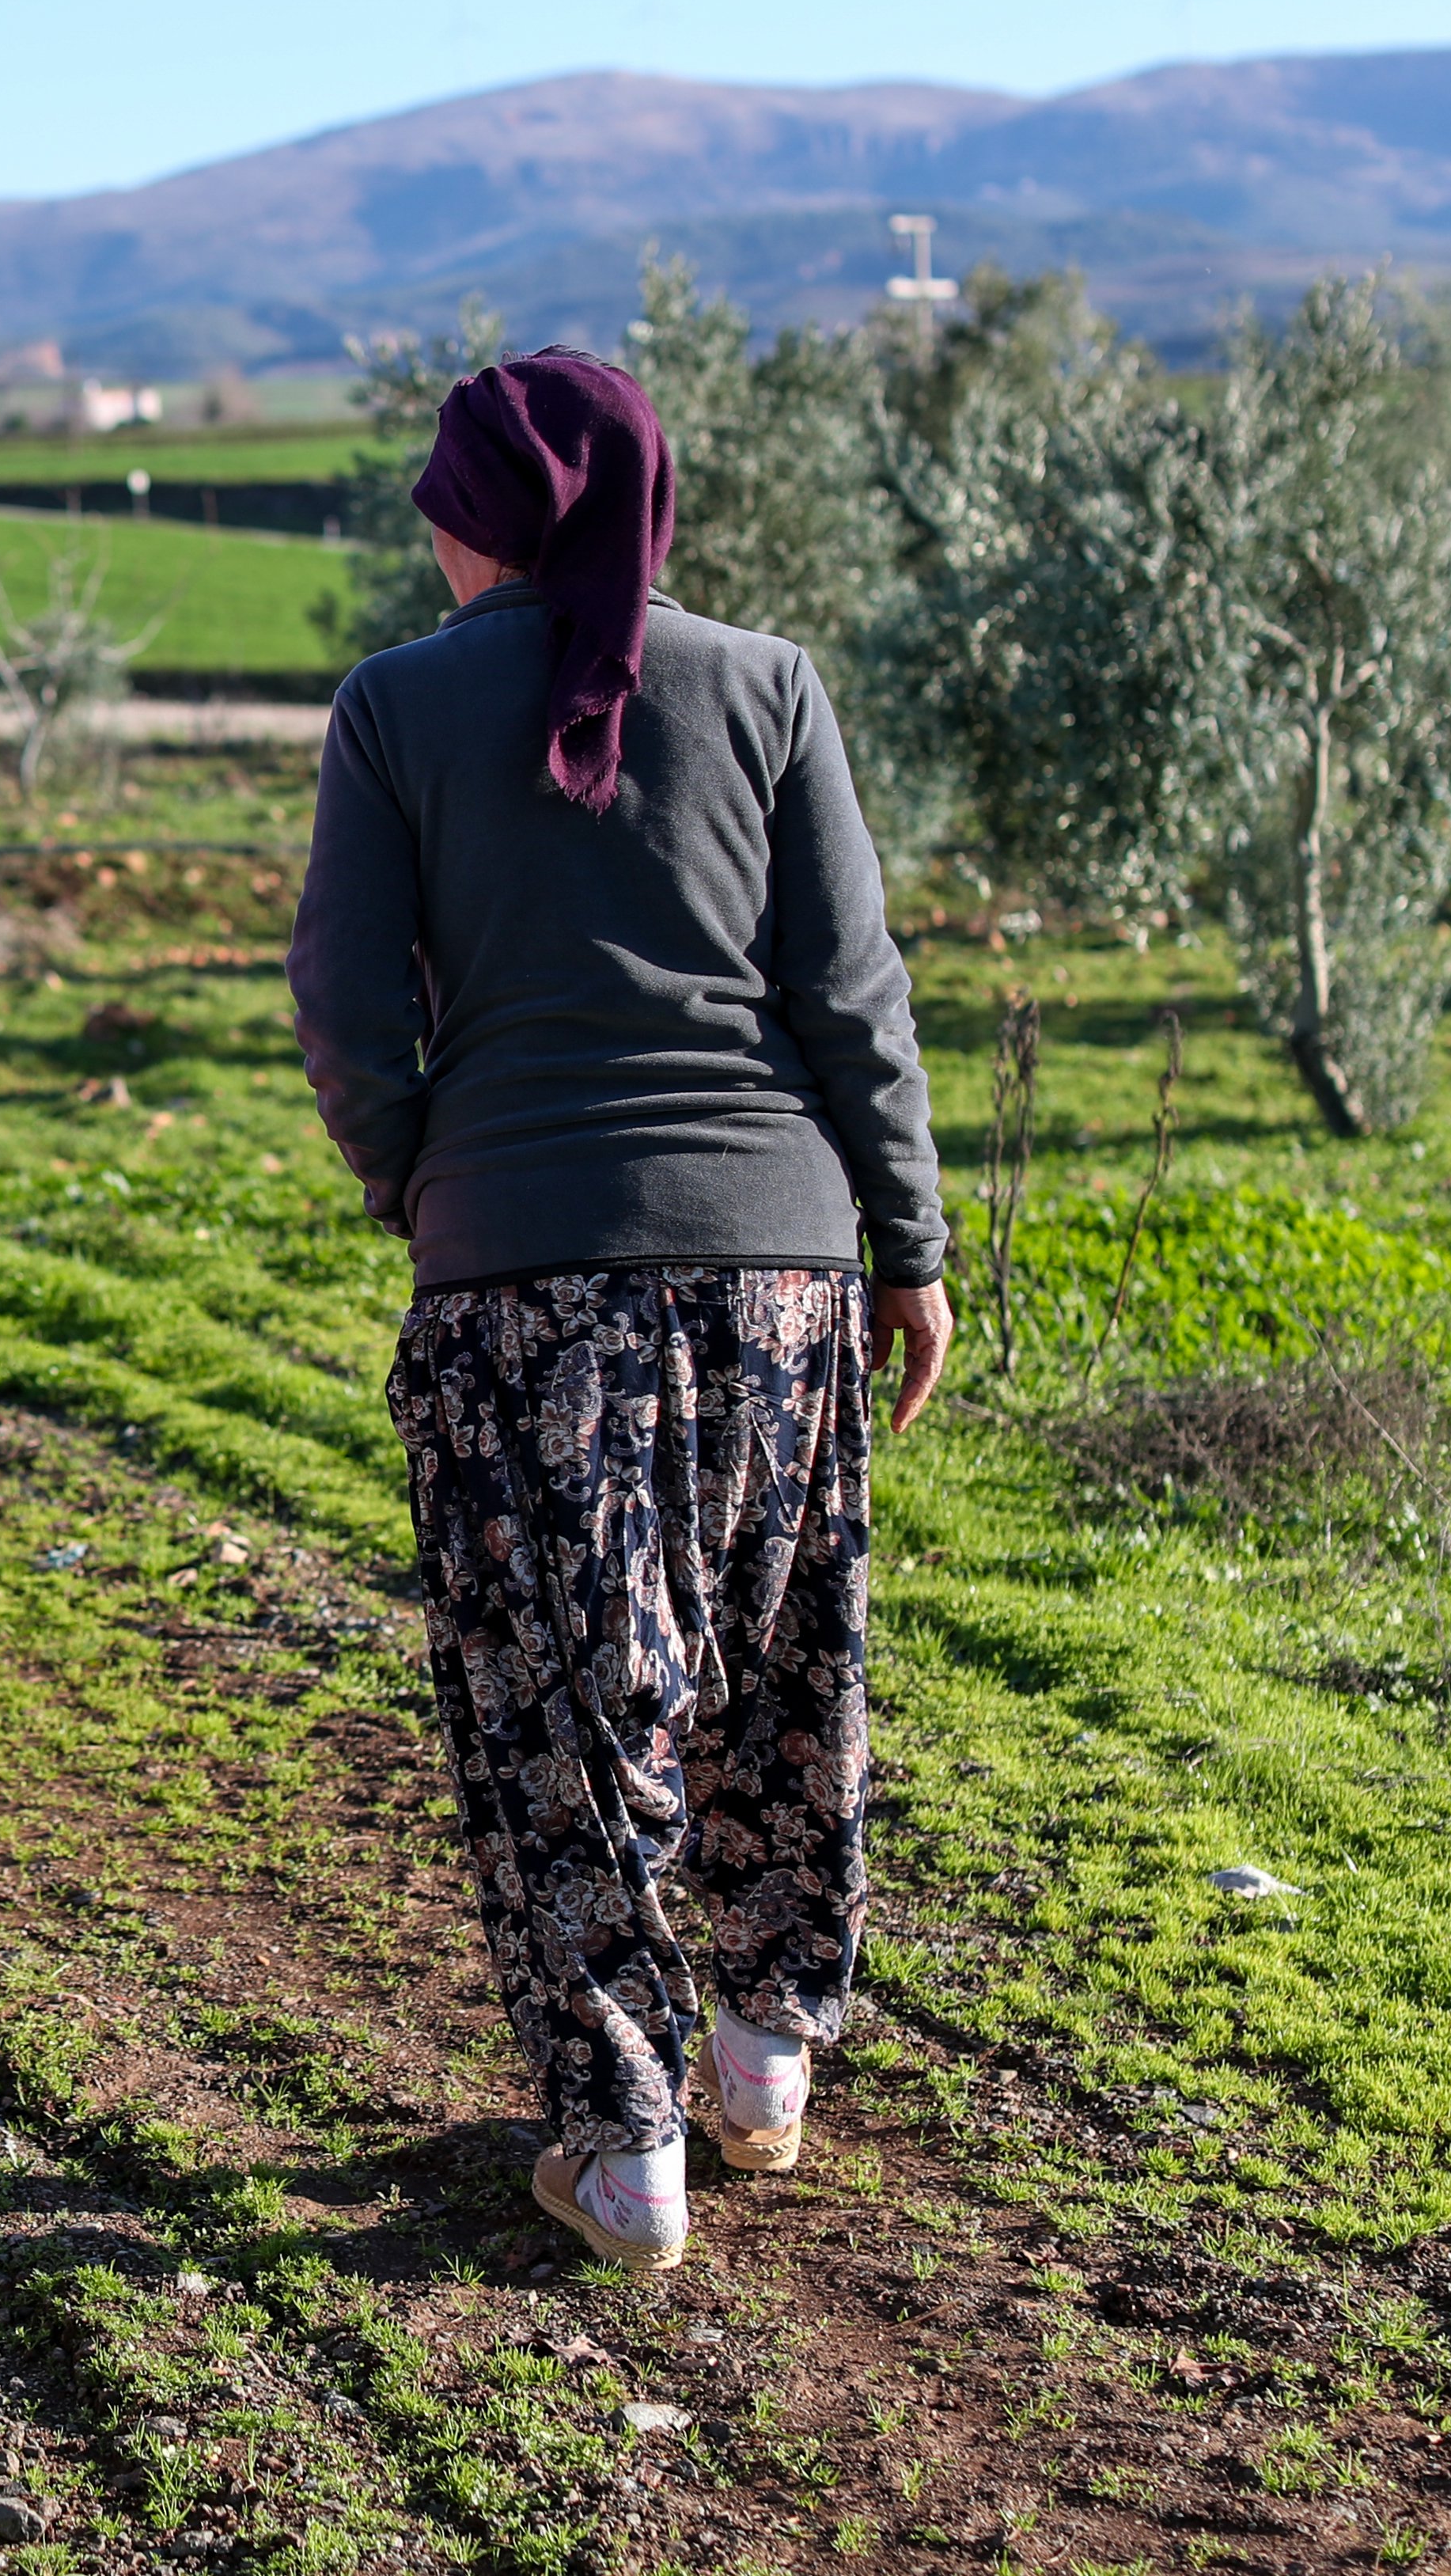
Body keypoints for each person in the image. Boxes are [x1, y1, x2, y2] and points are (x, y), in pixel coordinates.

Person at [286, 351, 951, 2271]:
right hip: (782, 1277)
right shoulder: (766, 686)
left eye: (437, 495)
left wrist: (424, 1175)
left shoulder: (393, 708)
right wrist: (904, 1245)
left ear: (483, 515)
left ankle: (625, 2138)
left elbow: (344, 1007)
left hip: (520, 1288)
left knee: (567, 1705)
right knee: (782, 1662)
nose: (424, 527)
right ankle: (763, 2058)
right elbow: (849, 988)